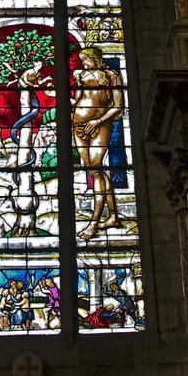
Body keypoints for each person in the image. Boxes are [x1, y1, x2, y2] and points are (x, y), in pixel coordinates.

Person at [72, 47, 125, 240]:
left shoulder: (112, 75)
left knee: (96, 168)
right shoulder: (82, 75)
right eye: (81, 59)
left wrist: (98, 121)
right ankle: (113, 216)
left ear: (96, 58)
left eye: (86, 59)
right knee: (96, 170)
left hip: (100, 125)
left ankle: (94, 223)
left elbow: (118, 105)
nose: (83, 63)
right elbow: (79, 99)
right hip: (78, 125)